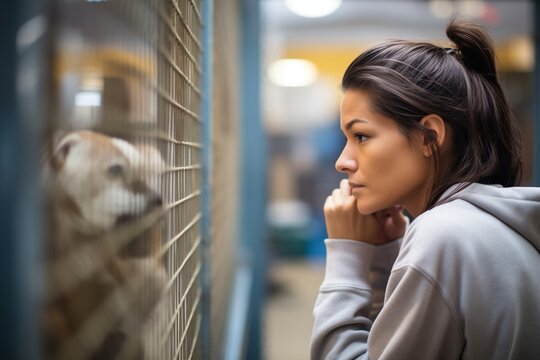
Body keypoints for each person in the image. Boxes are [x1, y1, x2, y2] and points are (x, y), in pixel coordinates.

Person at [311, 19, 540, 360]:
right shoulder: (498, 227)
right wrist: (389, 253)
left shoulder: (442, 235)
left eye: (361, 136)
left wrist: (348, 256)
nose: (342, 162)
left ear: (428, 136)